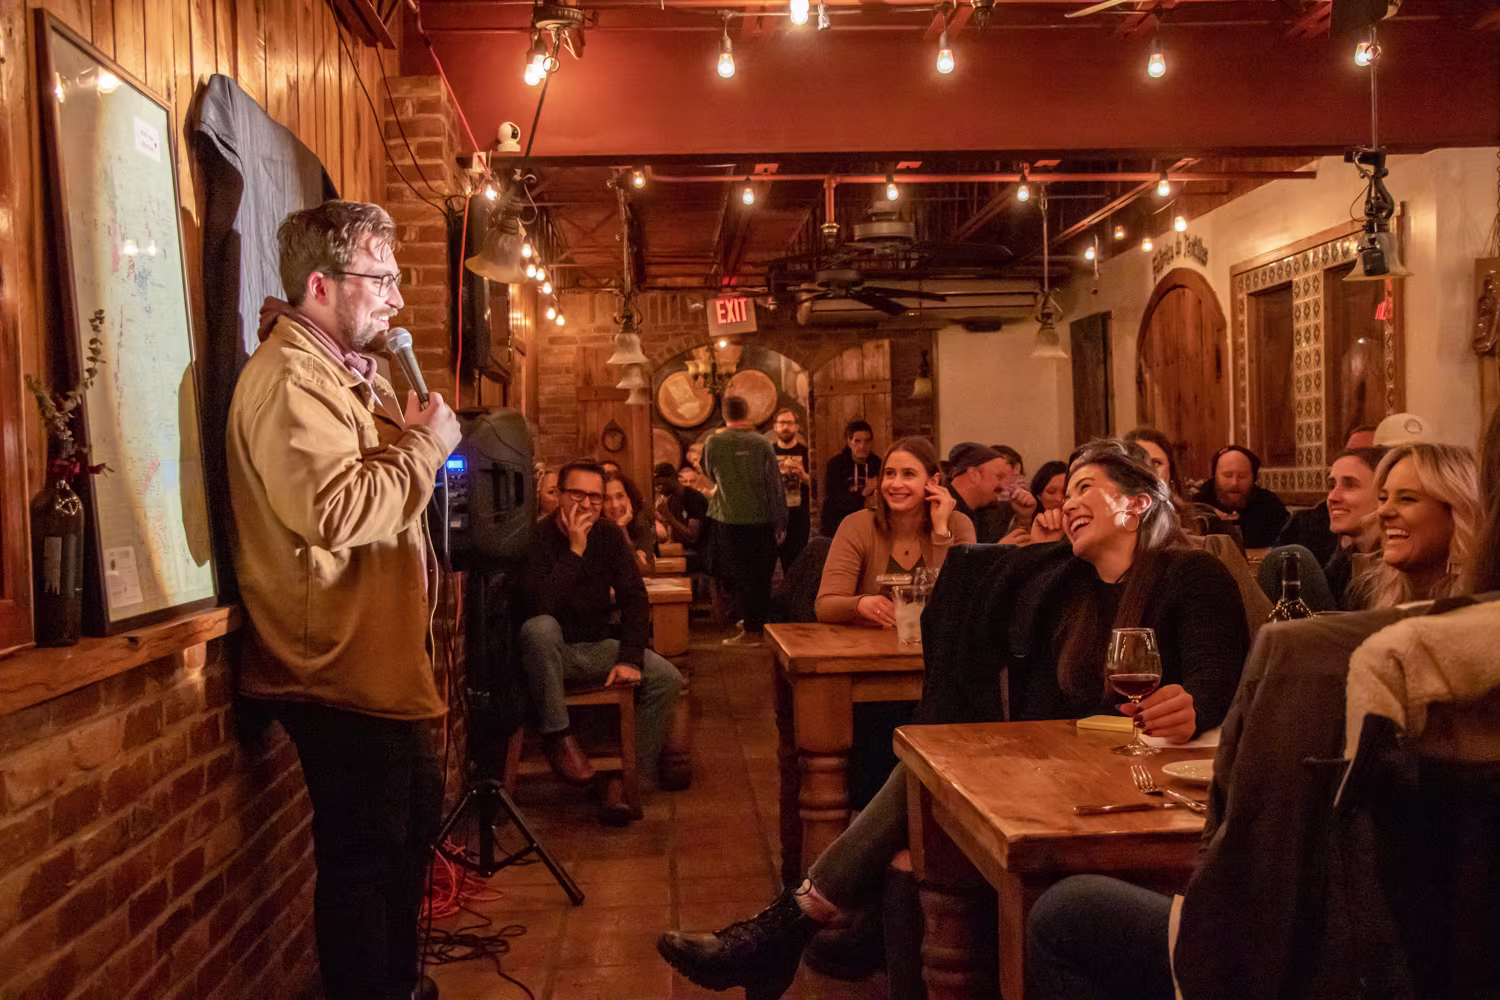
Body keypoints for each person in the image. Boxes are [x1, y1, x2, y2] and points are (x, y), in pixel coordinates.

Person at [657, 440, 1251, 1000]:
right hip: (1077, 776)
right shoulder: (1066, 588)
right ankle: (799, 923)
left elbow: (1221, 679)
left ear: (1138, 504)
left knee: (920, 770)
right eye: (1066, 492)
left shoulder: (1190, 575)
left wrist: (1192, 703)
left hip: (1156, 788)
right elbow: (985, 600)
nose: (1067, 504)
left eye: (1086, 488)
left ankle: (791, 924)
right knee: (927, 762)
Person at [1024, 409, 1500, 1000]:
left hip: (1349, 934)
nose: (1381, 512)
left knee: (1061, 912)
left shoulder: (1365, 644)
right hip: (1396, 925)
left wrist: (1195, 707)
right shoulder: (1375, 605)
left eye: (1403, 498)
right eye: (1382, 496)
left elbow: (1252, 765)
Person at [226, 200, 461, 1000]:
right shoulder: (292, 378)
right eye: (382, 280)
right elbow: (334, 511)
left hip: (377, 668)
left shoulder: (337, 376)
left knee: (402, 847)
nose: (396, 300)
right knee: (363, 864)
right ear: (321, 286)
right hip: (334, 669)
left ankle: (397, 985)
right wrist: (426, 444)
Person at [516, 459, 683, 825]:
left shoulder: (608, 535)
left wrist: (629, 658)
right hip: (547, 655)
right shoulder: (536, 539)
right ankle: (558, 736)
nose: (588, 504)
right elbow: (539, 605)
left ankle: (621, 781)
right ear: (559, 495)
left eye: (595, 496)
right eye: (578, 494)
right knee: (540, 627)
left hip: (594, 649)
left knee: (667, 679)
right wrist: (575, 549)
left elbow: (634, 599)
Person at [815, 437, 975, 626]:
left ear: (933, 481)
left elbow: (962, 605)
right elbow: (825, 606)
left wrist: (941, 533)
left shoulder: (958, 524)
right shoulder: (856, 525)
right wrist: (859, 604)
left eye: (908, 474)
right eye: (889, 474)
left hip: (936, 649)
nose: (896, 484)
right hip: (866, 648)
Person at [1347, 442, 1479, 609]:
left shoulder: (1487, 598)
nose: (1383, 511)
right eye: (1383, 498)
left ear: (1458, 512)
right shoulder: (1368, 591)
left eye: (1407, 499)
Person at [703, 395, 788, 645]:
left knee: (740, 575)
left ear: (726, 415)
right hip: (762, 520)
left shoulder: (713, 442)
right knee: (761, 575)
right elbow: (775, 484)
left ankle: (751, 630)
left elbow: (709, 472)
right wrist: (780, 521)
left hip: (728, 519)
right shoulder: (762, 443)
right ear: (747, 412)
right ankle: (755, 624)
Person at [1258, 447, 1387, 611]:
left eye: (1350, 485)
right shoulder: (1344, 561)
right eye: (1332, 485)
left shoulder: (1396, 564)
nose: (1332, 497)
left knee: (1290, 557)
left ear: (1384, 495)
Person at [1192, 445, 1289, 548]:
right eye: (1227, 475)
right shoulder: (1198, 505)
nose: (1234, 483)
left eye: (1242, 476)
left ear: (1254, 478)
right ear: (1215, 476)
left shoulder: (1270, 505)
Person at [946, 441, 1036, 544]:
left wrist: (1023, 518)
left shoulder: (984, 511)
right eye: (999, 476)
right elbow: (947, 558)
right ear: (974, 475)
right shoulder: (941, 510)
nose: (1004, 485)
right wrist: (997, 550)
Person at [821, 419, 881, 537]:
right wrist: (864, 493)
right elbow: (836, 500)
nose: (862, 446)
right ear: (849, 442)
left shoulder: (878, 464)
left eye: (867, 441)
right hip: (839, 526)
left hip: (869, 526)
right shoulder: (836, 465)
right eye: (857, 441)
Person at [769, 408, 812, 572]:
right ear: (775, 427)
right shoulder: (769, 453)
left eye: (789, 423)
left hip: (799, 516)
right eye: (781, 423)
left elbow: (815, 486)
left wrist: (803, 475)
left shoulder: (806, 453)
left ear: (797, 427)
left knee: (797, 566)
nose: (785, 427)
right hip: (775, 516)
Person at [604, 469, 656, 574]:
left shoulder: (640, 523)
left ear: (629, 498)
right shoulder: (594, 530)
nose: (614, 505)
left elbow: (643, 568)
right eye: (606, 499)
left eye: (619, 496)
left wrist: (621, 528)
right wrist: (621, 529)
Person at [653, 461, 708, 557]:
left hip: (700, 555)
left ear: (672, 478)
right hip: (684, 552)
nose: (659, 489)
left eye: (661, 484)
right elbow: (671, 537)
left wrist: (669, 517)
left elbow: (693, 537)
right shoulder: (672, 500)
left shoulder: (694, 498)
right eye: (657, 485)